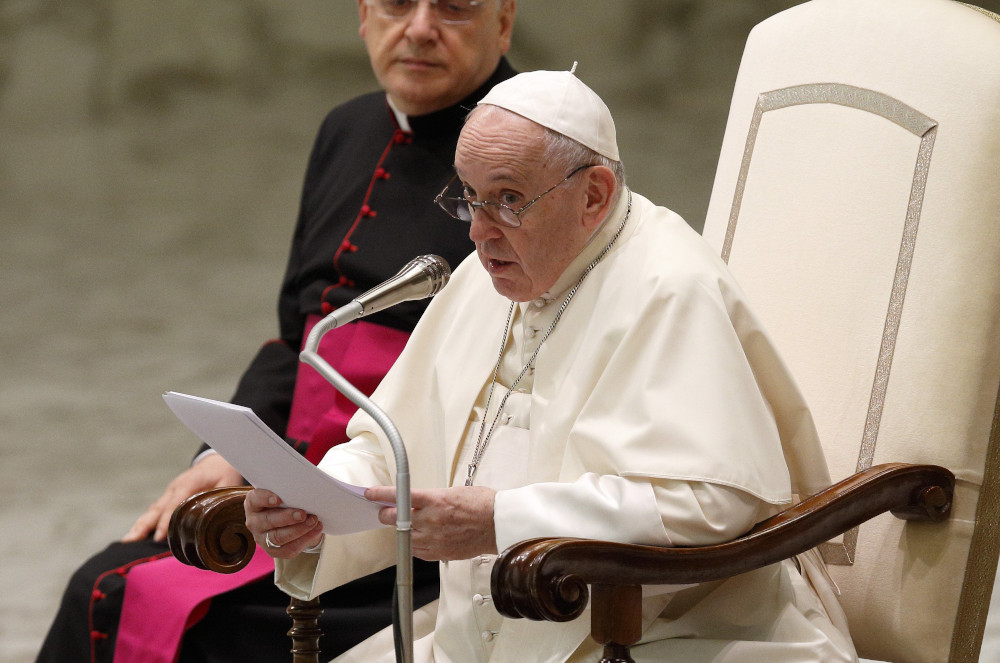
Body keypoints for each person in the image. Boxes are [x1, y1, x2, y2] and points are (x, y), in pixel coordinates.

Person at [245, 68, 860, 662]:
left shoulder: (670, 286)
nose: (479, 233)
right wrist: (315, 503)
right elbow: (391, 446)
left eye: (509, 200)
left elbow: (708, 503)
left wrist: (501, 522)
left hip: (661, 634)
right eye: (469, 198)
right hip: (480, 634)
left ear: (594, 194)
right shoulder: (486, 279)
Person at [36, 1, 516, 662]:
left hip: (403, 514)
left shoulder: (521, 152)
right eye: (398, 3)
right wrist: (222, 454)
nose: (420, 27)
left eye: (454, 6)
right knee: (98, 585)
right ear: (363, 14)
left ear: (505, 20)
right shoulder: (347, 128)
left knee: (167, 612)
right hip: (288, 474)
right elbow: (299, 333)